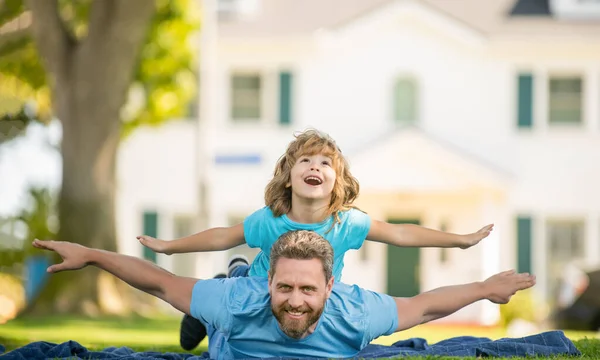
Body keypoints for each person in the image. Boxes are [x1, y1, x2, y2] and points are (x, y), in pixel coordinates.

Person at [137, 129, 495, 349]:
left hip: (308, 295)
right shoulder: (270, 220)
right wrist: (169, 246)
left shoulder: (347, 223)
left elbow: (401, 233)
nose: (315, 167)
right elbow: (222, 237)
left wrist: (458, 240)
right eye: (306, 160)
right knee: (240, 320)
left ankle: (235, 273)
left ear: (336, 181)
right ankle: (228, 282)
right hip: (260, 289)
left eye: (325, 163)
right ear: (289, 178)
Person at [33, 230, 535, 360]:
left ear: (330, 287)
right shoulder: (240, 302)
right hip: (226, 321)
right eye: (285, 287)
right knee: (210, 308)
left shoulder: (355, 312)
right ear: (268, 281)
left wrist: (486, 289)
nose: (296, 300)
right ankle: (228, 278)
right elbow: (159, 281)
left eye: (308, 289)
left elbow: (424, 305)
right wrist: (94, 255)